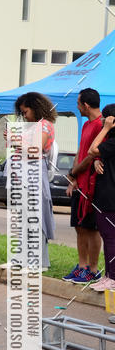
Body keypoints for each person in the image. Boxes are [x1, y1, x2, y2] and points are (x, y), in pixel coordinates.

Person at [63, 88, 103, 283]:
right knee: (79, 227)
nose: (77, 108)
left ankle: (93, 270)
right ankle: (81, 267)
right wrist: (74, 179)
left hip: (93, 186)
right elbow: (81, 151)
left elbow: (92, 156)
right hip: (80, 184)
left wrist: (74, 172)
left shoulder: (101, 125)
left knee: (92, 228)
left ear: (85, 105)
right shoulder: (87, 124)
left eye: (78, 104)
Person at [14, 92, 57, 270]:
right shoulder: (35, 126)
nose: (24, 116)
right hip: (26, 176)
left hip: (34, 175)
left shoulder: (45, 125)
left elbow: (36, 148)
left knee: (35, 219)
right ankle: (25, 258)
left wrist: (16, 142)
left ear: (35, 108)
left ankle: (37, 261)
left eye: (26, 112)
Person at [88, 106, 115, 290]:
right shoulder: (111, 143)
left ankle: (112, 277)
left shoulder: (112, 141)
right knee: (107, 236)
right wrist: (98, 160)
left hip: (111, 198)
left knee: (111, 238)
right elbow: (96, 155)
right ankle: (108, 275)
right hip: (105, 196)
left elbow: (92, 149)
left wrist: (105, 128)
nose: (103, 121)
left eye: (106, 119)